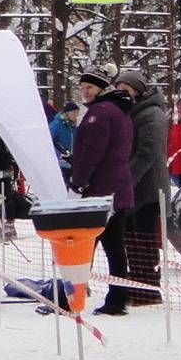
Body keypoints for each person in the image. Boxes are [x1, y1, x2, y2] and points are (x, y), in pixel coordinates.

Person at [69, 66, 135, 315]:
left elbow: (91, 151)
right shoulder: (120, 111)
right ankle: (118, 298)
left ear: (101, 89)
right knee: (115, 247)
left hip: (101, 192)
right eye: (82, 87)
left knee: (84, 245)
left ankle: (72, 295)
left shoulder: (100, 113)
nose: (85, 92)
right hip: (119, 189)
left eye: (90, 88)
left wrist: (79, 180)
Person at [117, 69, 168, 305]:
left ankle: (147, 288)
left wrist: (127, 180)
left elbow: (147, 152)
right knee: (131, 239)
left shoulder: (151, 114)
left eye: (124, 90)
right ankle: (135, 284)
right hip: (133, 187)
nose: (120, 94)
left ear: (136, 90)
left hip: (147, 188)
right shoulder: (130, 113)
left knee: (144, 240)